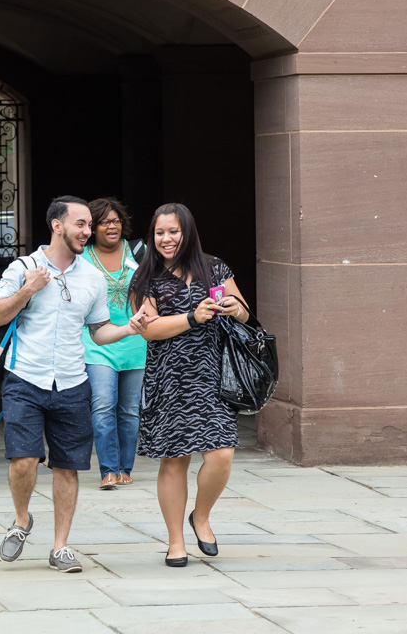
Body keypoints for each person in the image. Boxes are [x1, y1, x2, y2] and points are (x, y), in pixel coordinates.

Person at [0, 195, 156, 573]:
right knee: (23, 460)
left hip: (73, 382)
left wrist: (130, 326)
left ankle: (60, 547)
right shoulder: (24, 267)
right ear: (57, 225)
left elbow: (97, 332)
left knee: (68, 467)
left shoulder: (91, 278)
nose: (87, 231)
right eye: (80, 224)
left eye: (88, 225)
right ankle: (21, 519)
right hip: (25, 378)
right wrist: (28, 288)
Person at [128, 203, 250, 567]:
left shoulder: (215, 268)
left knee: (221, 454)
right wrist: (192, 318)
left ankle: (201, 515)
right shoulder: (145, 278)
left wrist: (232, 306)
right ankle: (175, 541)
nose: (166, 239)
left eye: (173, 232)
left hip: (213, 376)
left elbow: (244, 310)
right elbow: (148, 330)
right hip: (169, 379)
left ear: (188, 232)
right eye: (160, 233)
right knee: (174, 461)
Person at [81, 198, 146, 490]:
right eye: (105, 221)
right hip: (97, 341)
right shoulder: (81, 256)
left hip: (134, 339)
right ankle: (108, 469)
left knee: (130, 409)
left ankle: (124, 467)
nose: (112, 226)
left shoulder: (139, 252)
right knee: (104, 404)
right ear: (93, 227)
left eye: (117, 220)